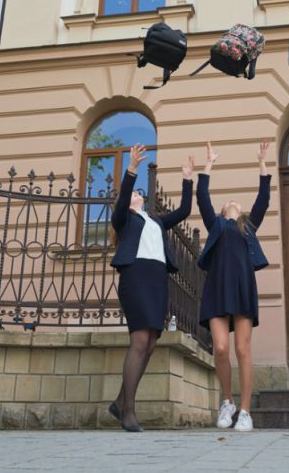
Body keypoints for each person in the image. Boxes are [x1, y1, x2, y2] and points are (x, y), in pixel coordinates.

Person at [108, 144, 194, 432]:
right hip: (136, 276)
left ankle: (120, 401)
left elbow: (183, 210)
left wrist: (188, 178)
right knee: (140, 341)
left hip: (158, 278)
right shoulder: (124, 219)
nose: (137, 195)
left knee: (152, 342)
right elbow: (121, 203)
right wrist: (131, 169)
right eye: (133, 193)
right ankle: (128, 410)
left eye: (137, 192)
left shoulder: (155, 220)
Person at [197, 140, 271, 432]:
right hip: (216, 288)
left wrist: (262, 163)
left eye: (236, 202)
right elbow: (203, 197)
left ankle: (245, 410)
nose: (233, 201)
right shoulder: (215, 225)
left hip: (242, 289)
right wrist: (209, 164)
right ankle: (227, 401)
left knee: (242, 349)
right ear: (223, 209)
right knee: (221, 347)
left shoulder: (247, 227)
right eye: (228, 202)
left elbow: (263, 200)